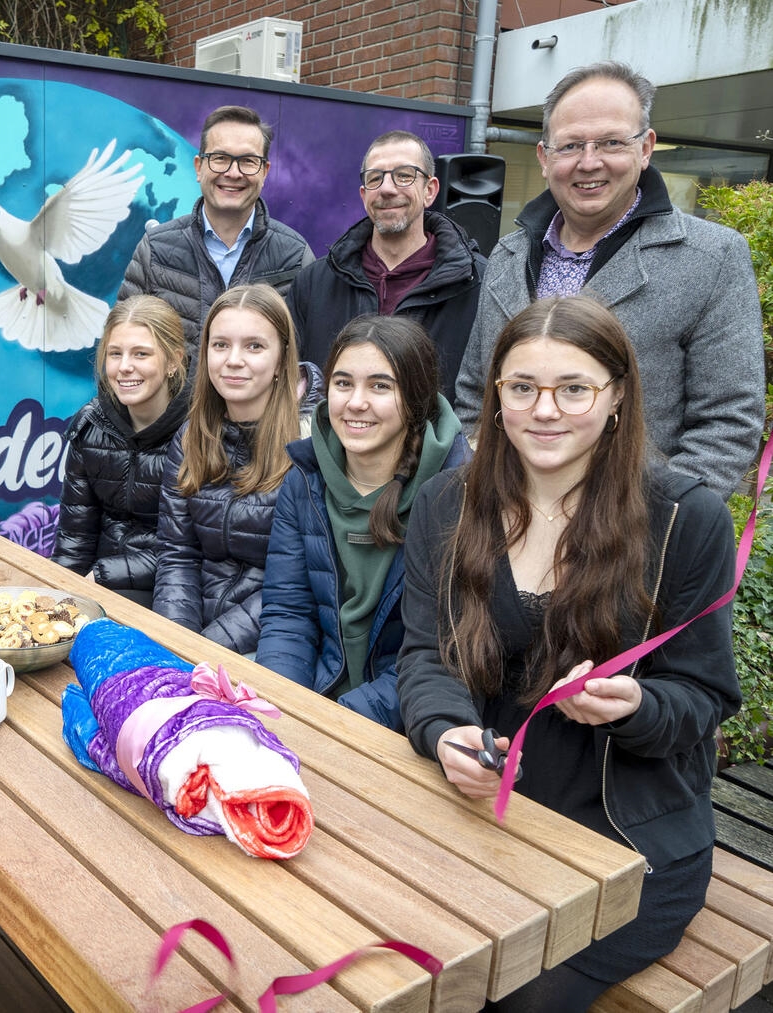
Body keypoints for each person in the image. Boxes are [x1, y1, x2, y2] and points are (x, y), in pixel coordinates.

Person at [398, 296, 740, 1012]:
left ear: (617, 396)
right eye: (522, 388)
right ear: (496, 396)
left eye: (573, 388)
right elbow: (427, 653)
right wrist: (445, 730)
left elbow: (705, 698)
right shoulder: (448, 502)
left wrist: (640, 705)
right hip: (485, 812)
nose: (544, 410)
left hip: (623, 840)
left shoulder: (684, 518)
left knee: (518, 996)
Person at [455, 62, 764, 501]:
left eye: (611, 142)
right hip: (507, 520)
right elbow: (474, 392)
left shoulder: (711, 258)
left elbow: (728, 421)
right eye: (571, 145)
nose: (589, 162)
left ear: (646, 148)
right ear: (544, 158)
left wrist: (661, 524)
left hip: (627, 538)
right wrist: (482, 488)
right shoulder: (508, 255)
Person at [257, 316, 468, 728]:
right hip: (316, 695)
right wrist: (281, 708)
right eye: (343, 383)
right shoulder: (303, 478)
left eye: (380, 386)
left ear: (416, 397)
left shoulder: (457, 493)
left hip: (406, 715)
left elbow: (441, 654)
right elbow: (288, 614)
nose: (356, 402)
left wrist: (340, 721)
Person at [154, 283, 324, 653]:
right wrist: (175, 642)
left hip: (276, 635)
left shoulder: (311, 445)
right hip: (196, 626)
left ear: (282, 360)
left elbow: (298, 582)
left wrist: (206, 649)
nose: (233, 359)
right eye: (220, 345)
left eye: (254, 346)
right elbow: (177, 555)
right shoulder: (189, 436)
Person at [286, 130, 485, 401]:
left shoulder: (478, 284)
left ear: (430, 190)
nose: (387, 189)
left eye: (404, 175)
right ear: (363, 193)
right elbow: (293, 381)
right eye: (375, 178)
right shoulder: (313, 284)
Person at [119, 105, 314, 358]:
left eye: (248, 161)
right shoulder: (155, 250)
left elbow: (306, 362)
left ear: (264, 172)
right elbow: (121, 346)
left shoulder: (295, 256)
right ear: (199, 167)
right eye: (220, 158)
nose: (233, 173)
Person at [52, 296, 191, 607]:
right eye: (115, 354)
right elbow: (75, 539)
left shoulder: (201, 433)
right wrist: (58, 601)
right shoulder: (90, 425)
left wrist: (102, 574)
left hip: (172, 591)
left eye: (141, 354)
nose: (125, 367)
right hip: (99, 586)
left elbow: (187, 549)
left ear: (173, 361)